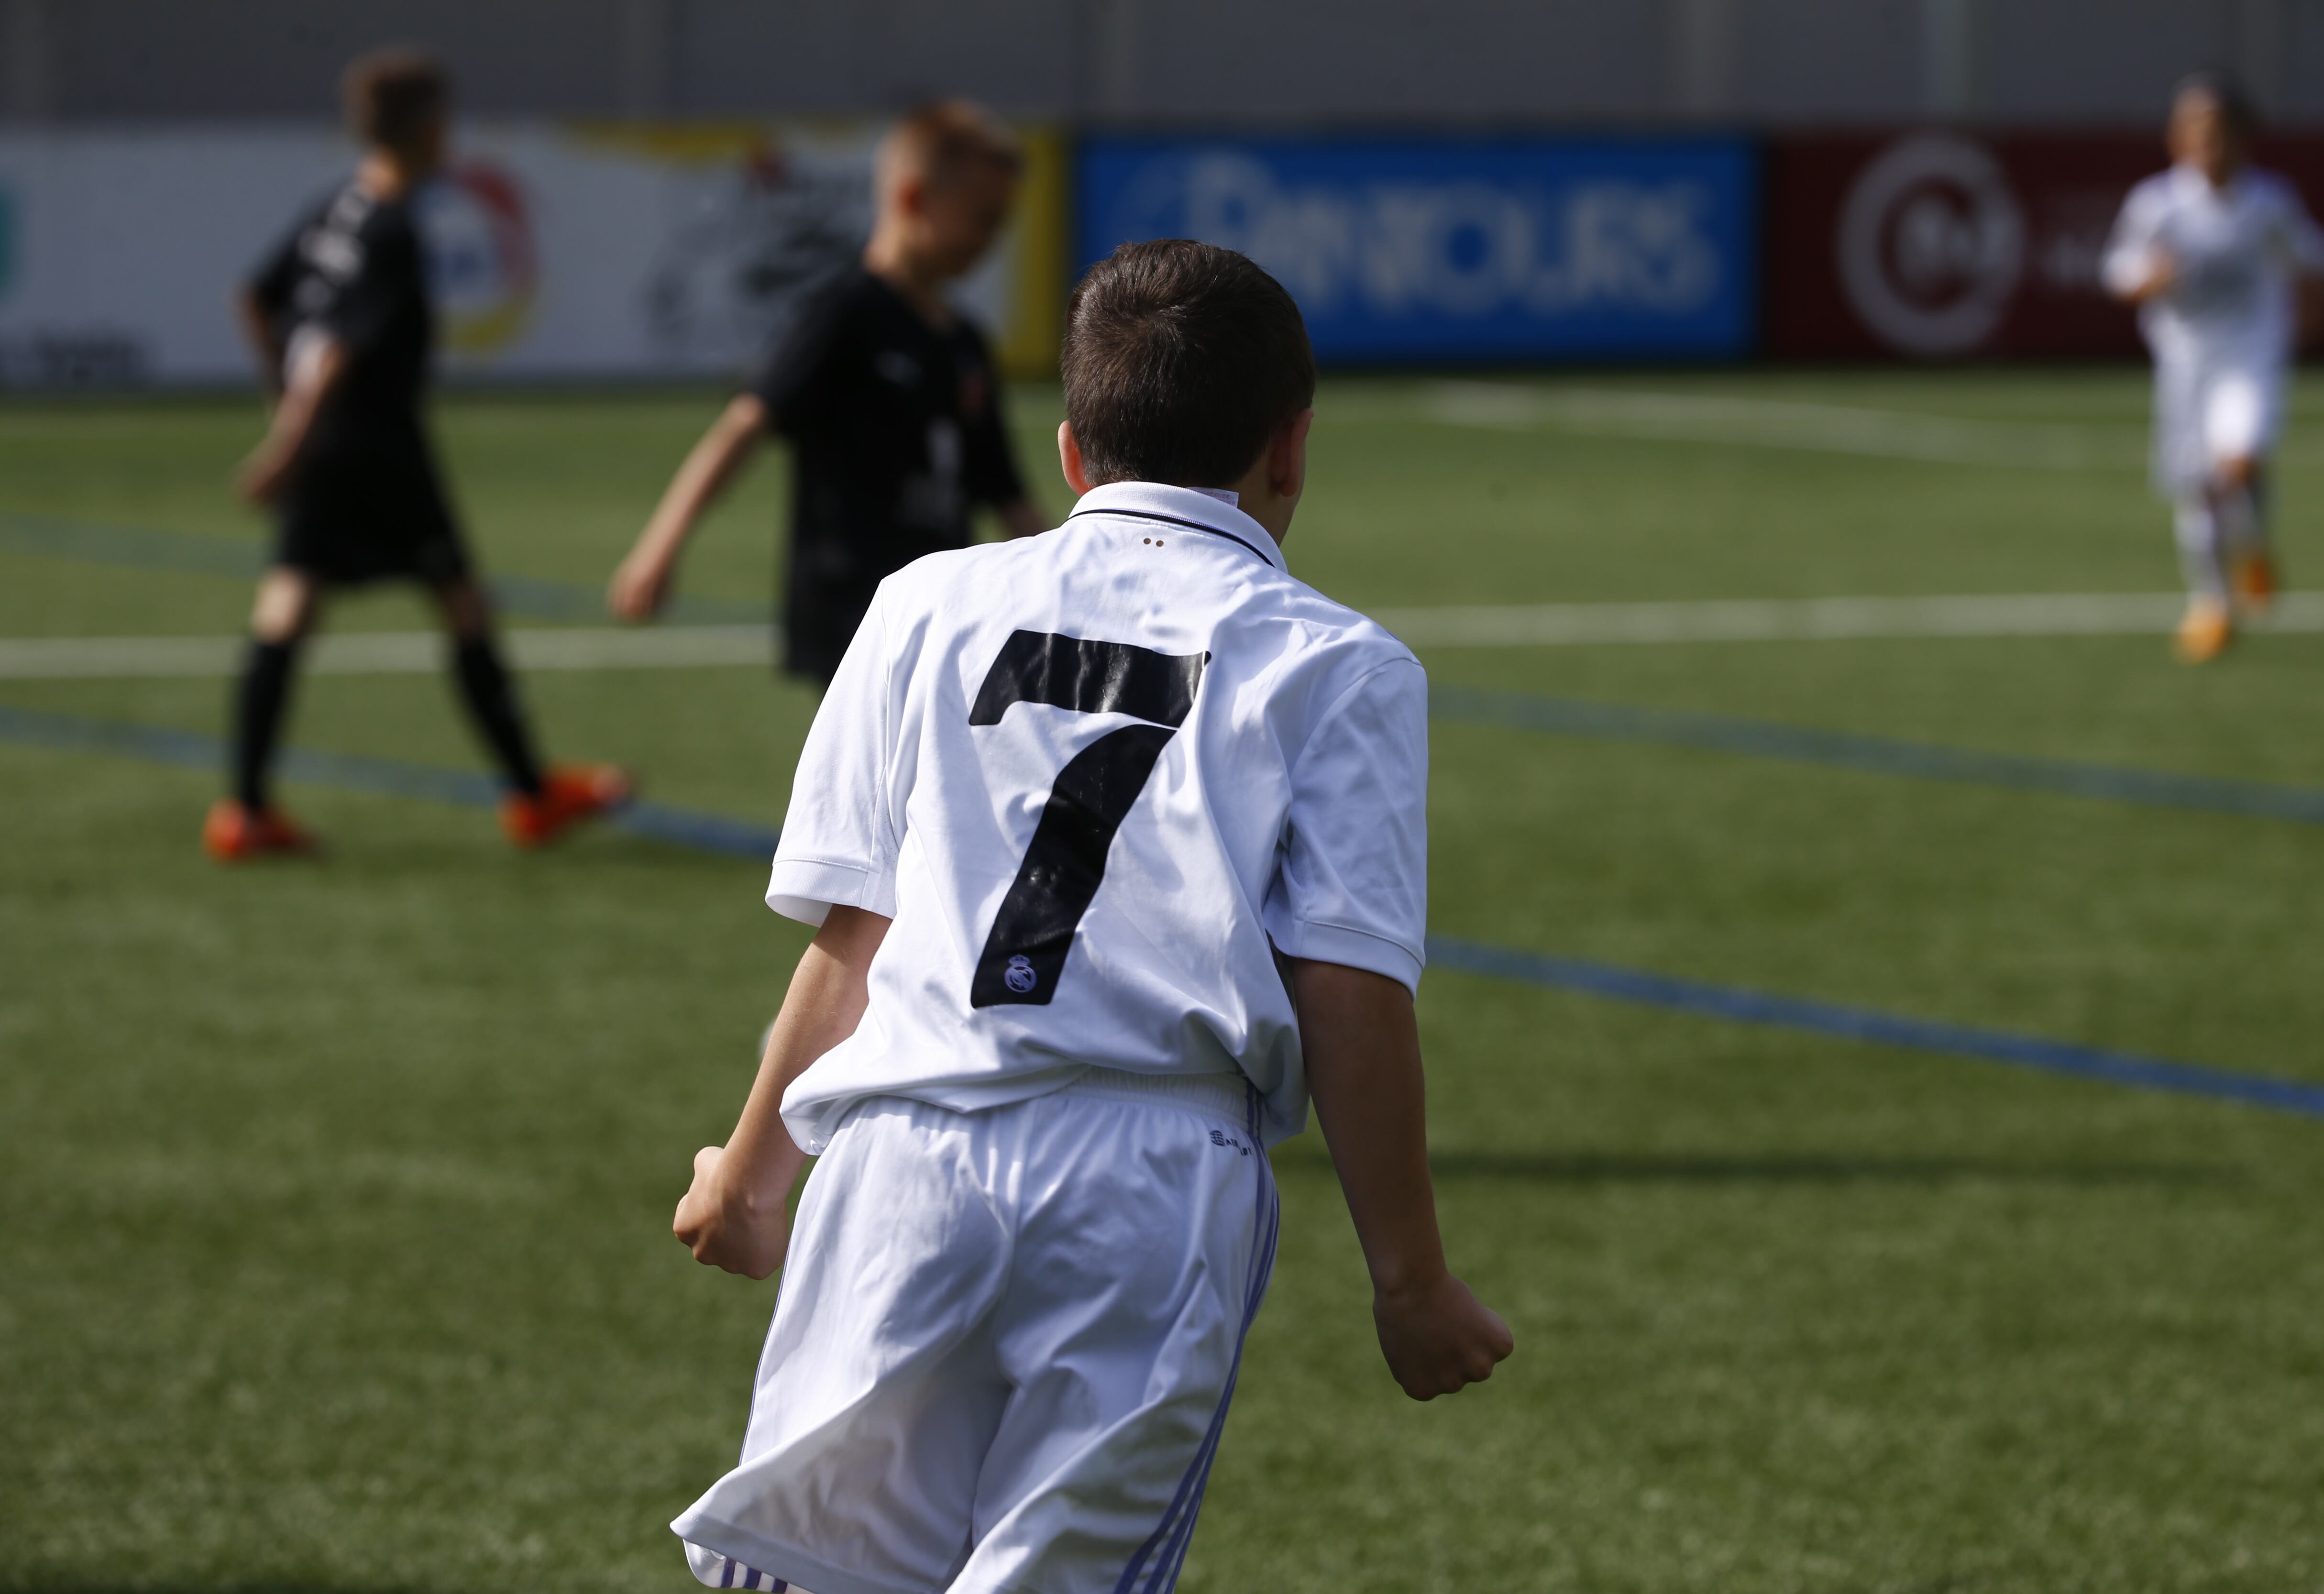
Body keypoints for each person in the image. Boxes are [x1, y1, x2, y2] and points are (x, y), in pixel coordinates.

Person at [665, 240, 1514, 1594]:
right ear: (1290, 450)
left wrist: (753, 1172)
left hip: (903, 1157)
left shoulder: (924, 602)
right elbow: (1350, 991)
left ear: (1069, 451)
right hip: (1151, 1177)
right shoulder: (1338, 661)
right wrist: (1410, 1281)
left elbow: (854, 940)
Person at [210, 47, 626, 859]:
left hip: (332, 442)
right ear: (433, 129)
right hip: (375, 446)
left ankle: (244, 809)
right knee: (462, 603)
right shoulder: (395, 227)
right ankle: (532, 794)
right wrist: (290, 439)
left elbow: (255, 300)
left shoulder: (341, 202)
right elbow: (336, 351)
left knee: (289, 609)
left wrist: (284, 409)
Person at [610, 102, 1046, 682]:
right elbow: (745, 424)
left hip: (942, 604)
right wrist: (660, 548)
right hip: (853, 608)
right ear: (913, 200)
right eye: (982, 218)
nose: (991, 239)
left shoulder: (964, 342)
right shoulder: (844, 315)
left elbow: (1004, 489)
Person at [2102, 72, 2324, 664]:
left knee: (2233, 468)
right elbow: (2118, 272)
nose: (2208, 142)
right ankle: (2214, 599)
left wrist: (2308, 311)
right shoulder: (2157, 205)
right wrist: (2147, 280)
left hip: (2250, 359)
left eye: (2220, 131)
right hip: (2184, 366)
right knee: (2198, 490)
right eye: (2195, 130)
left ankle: (2239, 560)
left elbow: (2310, 259)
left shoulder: (2269, 201)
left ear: (2243, 139)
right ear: (2176, 138)